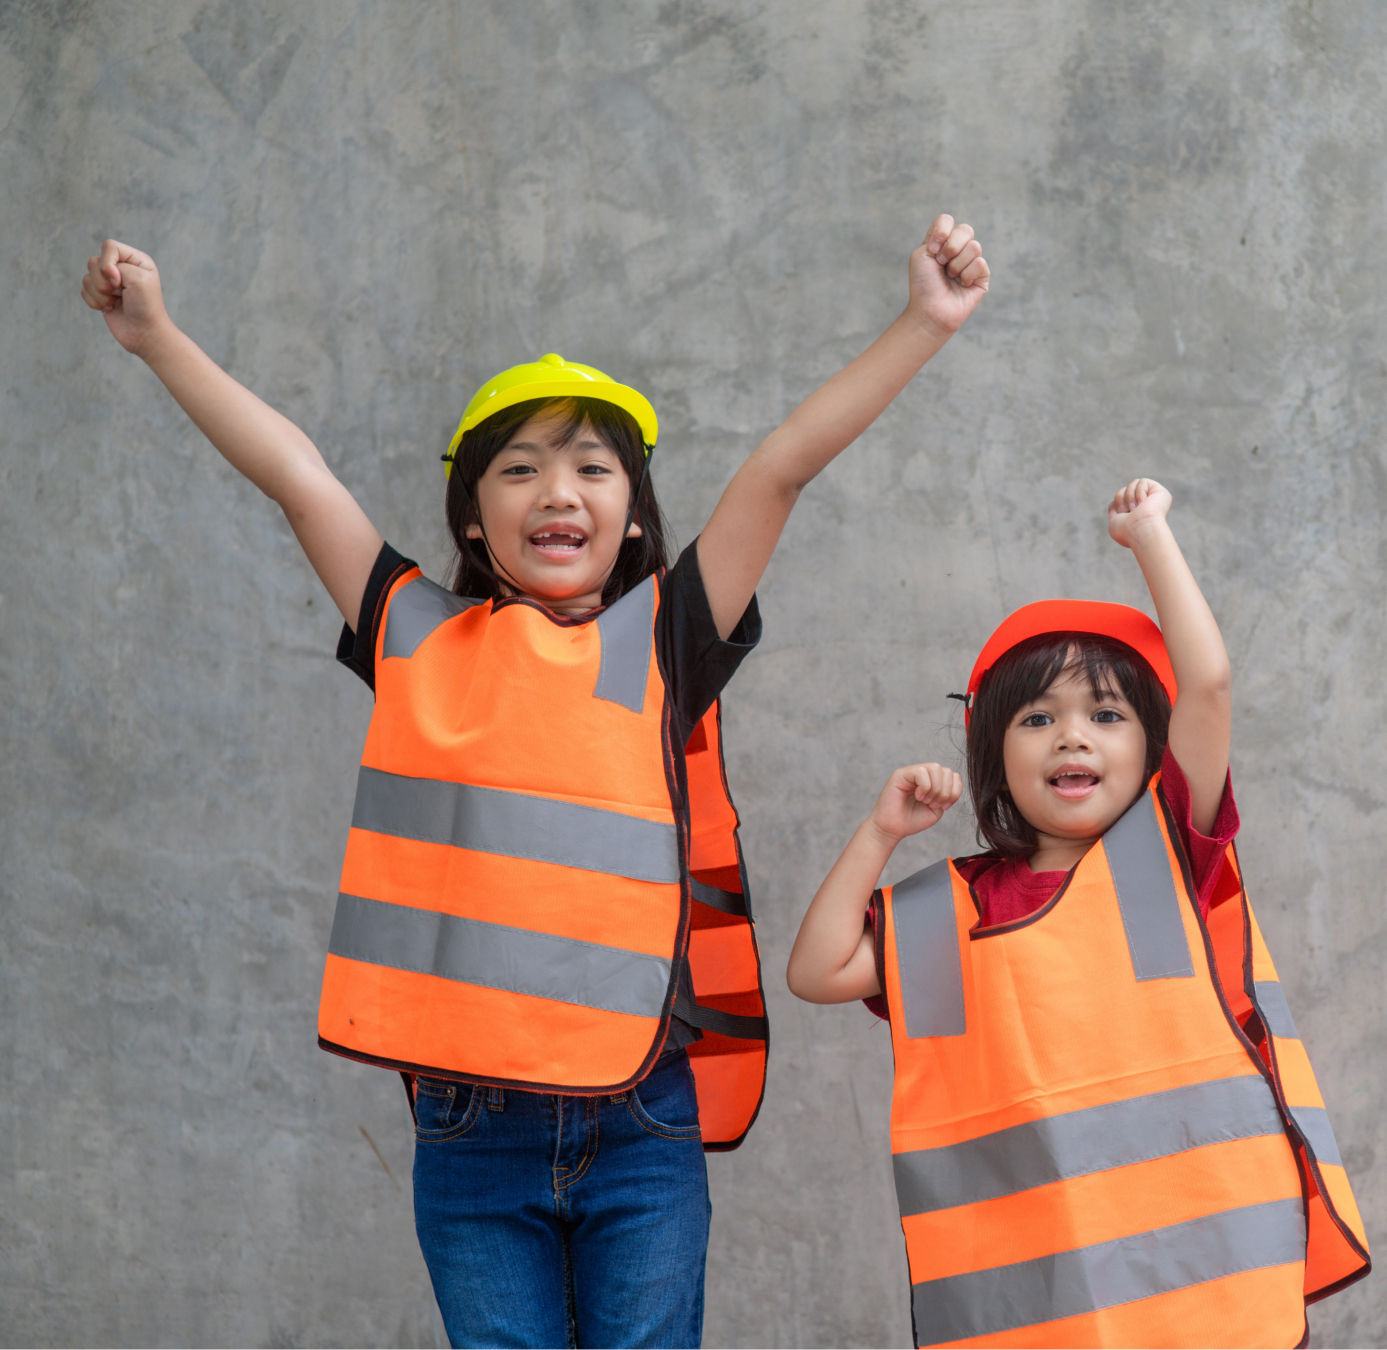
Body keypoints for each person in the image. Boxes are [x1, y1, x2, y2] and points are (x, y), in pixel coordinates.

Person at [81, 214, 990, 1349]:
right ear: (475, 517)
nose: (557, 491)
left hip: (642, 1115)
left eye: (591, 468)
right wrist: (158, 337)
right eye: (520, 469)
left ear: (632, 515)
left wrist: (922, 323)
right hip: (470, 1124)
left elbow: (782, 465)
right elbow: (296, 478)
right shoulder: (415, 635)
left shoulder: (666, 640)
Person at [787, 478, 1370, 1348]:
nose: (1072, 735)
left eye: (1106, 714)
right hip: (1046, 1305)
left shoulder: (1171, 854)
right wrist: (880, 834)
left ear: (1153, 747)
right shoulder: (949, 910)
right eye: (1037, 717)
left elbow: (1208, 684)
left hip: (1206, 1288)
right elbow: (817, 971)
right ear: (994, 752)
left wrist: (1149, 536)